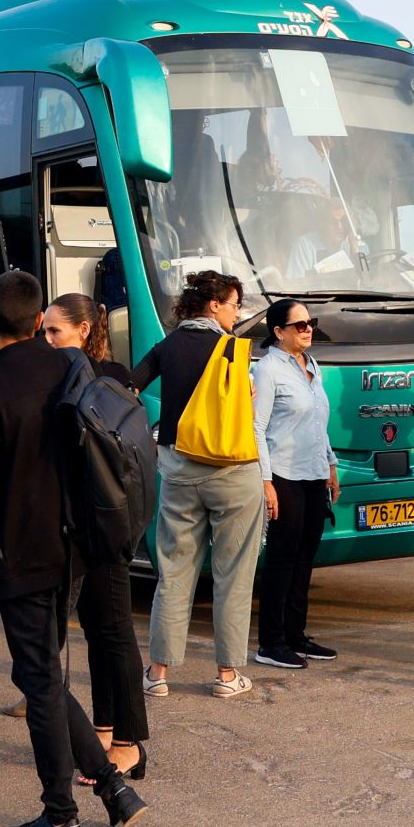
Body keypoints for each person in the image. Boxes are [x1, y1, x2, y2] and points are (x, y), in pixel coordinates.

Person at [0, 270, 149, 827]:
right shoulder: (71, 367)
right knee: (47, 678)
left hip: (25, 555)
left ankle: (61, 821)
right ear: (39, 321)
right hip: (78, 548)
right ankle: (113, 790)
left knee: (39, 683)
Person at [138, 270, 269, 700]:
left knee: (174, 571)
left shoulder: (167, 345)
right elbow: (246, 411)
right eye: (233, 304)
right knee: (234, 574)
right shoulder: (233, 350)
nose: (236, 313)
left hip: (179, 471)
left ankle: (157, 672)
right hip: (233, 473)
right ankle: (227, 676)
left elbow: (130, 387)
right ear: (213, 305)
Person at [41, 292, 146, 778]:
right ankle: (103, 730)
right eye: (43, 331)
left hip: (106, 521)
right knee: (98, 628)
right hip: (85, 524)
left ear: (84, 330)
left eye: (54, 331)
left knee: (115, 630)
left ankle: (129, 742)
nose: (47, 340)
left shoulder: (108, 379)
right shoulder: (79, 376)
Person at [249, 297, 338, 670]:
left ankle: (295, 635)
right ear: (278, 331)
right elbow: (257, 429)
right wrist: (266, 482)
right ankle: (270, 642)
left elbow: (319, 422)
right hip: (284, 474)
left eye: (310, 322)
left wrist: (331, 466)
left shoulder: (311, 364)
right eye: (299, 325)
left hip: (314, 474)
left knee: (304, 560)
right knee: (282, 561)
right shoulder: (268, 370)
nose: (308, 329)